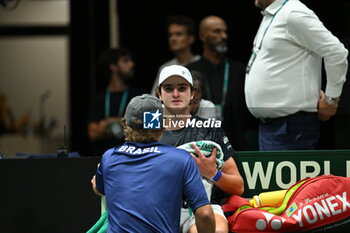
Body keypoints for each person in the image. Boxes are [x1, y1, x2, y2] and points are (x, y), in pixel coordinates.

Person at [90, 94, 215, 233]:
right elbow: (205, 214)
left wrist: (97, 185)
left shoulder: (109, 157)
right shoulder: (181, 159)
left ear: (125, 123)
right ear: (163, 126)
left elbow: (99, 188)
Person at [245, 0, 348, 151]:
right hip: (273, 126)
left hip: (291, 126)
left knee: (290, 176)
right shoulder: (273, 15)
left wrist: (331, 99)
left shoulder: (293, 13)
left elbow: (336, 52)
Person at [156, 65, 244, 233]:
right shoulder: (148, 132)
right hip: (158, 210)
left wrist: (212, 172)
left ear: (192, 94)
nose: (175, 94)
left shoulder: (210, 130)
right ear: (159, 94)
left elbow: (238, 186)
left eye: (182, 88)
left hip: (200, 208)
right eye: (169, 88)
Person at [187, 15, 259, 151]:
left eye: (225, 32)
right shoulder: (189, 72)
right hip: (200, 144)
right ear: (203, 36)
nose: (224, 36)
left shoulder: (239, 71)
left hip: (238, 145)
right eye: (217, 31)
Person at [87, 48, 144, 156]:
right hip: (104, 158)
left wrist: (107, 123)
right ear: (113, 67)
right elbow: (93, 133)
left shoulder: (138, 96)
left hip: (131, 157)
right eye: (125, 61)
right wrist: (125, 124)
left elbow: (141, 126)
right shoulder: (100, 97)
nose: (132, 64)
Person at [150, 15, 201, 95]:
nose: (173, 38)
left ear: (191, 38)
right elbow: (154, 99)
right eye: (170, 35)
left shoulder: (202, 64)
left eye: (178, 34)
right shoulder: (165, 68)